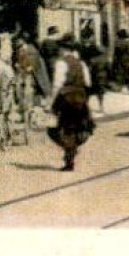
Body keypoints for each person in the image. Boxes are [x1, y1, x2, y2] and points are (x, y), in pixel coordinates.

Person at [47, 41, 96, 171]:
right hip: (80, 98)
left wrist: (52, 102)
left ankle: (70, 153)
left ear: (63, 49)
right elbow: (88, 83)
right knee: (79, 127)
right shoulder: (81, 63)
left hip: (66, 99)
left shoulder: (61, 63)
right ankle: (72, 151)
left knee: (60, 128)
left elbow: (58, 84)